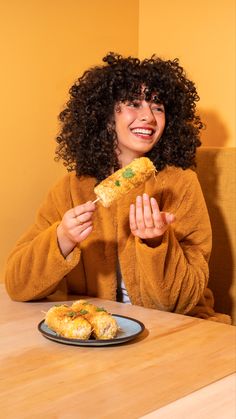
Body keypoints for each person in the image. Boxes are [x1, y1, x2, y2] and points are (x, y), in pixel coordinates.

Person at [5, 52, 231, 323]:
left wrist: (156, 243)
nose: (148, 116)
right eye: (135, 104)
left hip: (177, 326)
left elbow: (182, 301)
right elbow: (17, 285)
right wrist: (62, 238)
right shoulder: (70, 189)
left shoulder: (181, 183)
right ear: (106, 115)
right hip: (100, 327)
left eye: (158, 106)